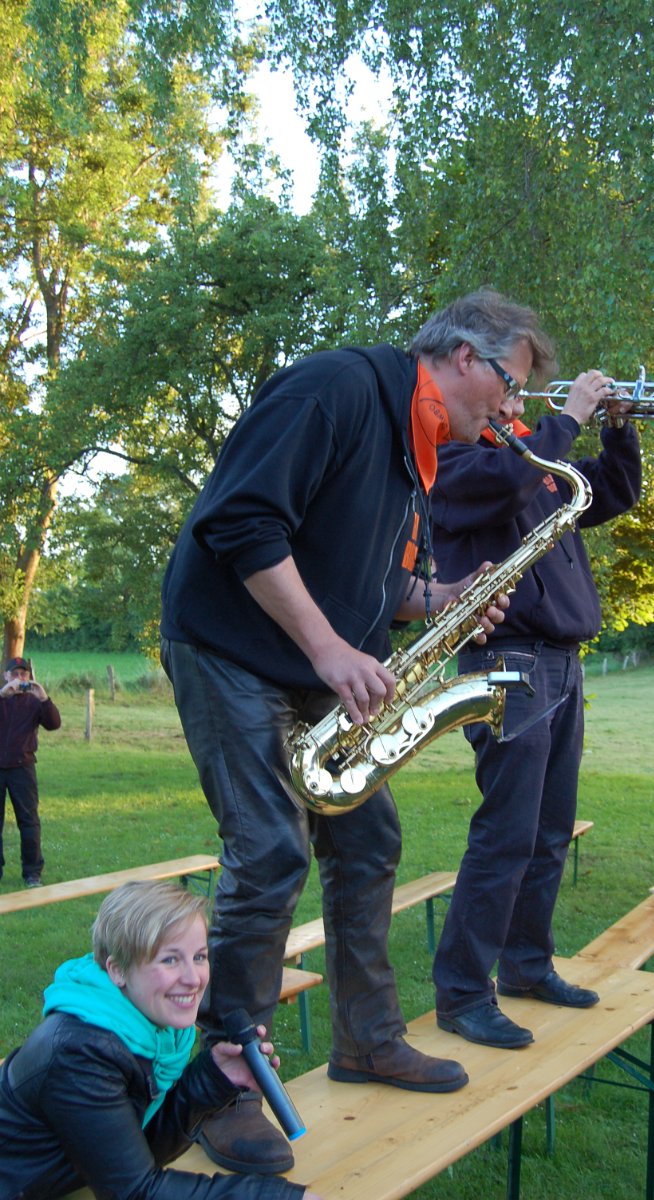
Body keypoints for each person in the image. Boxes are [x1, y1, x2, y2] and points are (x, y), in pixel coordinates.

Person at [159, 290, 542, 1175]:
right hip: (228, 647)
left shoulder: (421, 455)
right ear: (459, 356)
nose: (512, 411)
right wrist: (331, 648)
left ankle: (368, 1040)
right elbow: (240, 523)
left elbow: (376, 584)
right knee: (268, 850)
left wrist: (440, 601)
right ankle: (227, 1082)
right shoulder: (331, 388)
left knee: (369, 838)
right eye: (510, 387)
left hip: (306, 665)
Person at [425, 345, 642, 1049]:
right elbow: (503, 484)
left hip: (562, 659)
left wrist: (616, 428)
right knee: (507, 832)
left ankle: (525, 964)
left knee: (550, 830)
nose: (516, 405)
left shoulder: (532, 459)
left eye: (521, 396)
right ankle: (461, 992)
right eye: (508, 393)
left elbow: (611, 495)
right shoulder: (460, 461)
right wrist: (569, 417)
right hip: (507, 657)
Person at [0, 880, 321, 1199]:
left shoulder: (152, 1027)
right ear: (118, 970)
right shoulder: (80, 1053)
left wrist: (214, 1079)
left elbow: (141, 1150)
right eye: (169, 959)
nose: (193, 979)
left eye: (199, 957)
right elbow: (137, 1192)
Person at [0, 655, 61, 888]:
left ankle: (32, 872)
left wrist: (44, 698)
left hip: (22, 768)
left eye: (23, 674)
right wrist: (2, 694)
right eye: (14, 674)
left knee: (28, 822)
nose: (19, 679)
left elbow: (54, 724)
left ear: (29, 677)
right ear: (6, 676)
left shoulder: (35, 702)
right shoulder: (2, 697)